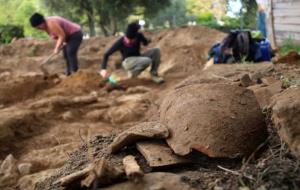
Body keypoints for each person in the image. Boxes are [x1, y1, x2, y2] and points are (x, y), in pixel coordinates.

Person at [100, 22, 164, 84]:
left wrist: (150, 39)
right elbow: (106, 54)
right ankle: (132, 74)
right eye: (127, 39)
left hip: (138, 58)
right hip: (128, 62)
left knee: (156, 51)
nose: (128, 41)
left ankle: (154, 74)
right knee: (147, 61)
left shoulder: (139, 35)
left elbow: (145, 43)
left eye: (131, 40)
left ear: (135, 37)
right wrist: (103, 69)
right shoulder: (120, 42)